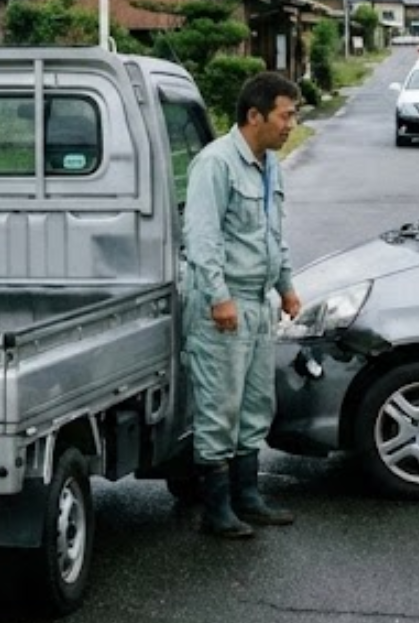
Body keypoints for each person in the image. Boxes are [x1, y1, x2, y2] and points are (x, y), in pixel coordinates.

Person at [181, 70, 306, 538]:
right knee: (220, 405)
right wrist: (219, 297)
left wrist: (286, 287)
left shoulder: (269, 162)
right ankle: (216, 509)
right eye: (285, 114)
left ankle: (247, 496)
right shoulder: (216, 164)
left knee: (256, 402)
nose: (290, 124)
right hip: (225, 304)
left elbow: (275, 233)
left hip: (257, 302)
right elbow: (202, 236)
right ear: (255, 115)